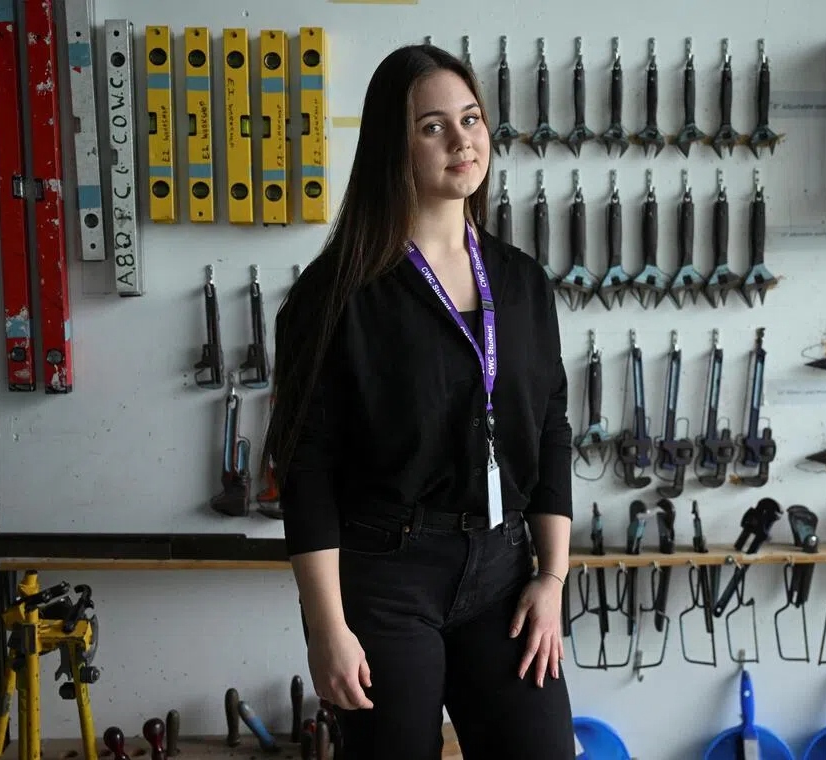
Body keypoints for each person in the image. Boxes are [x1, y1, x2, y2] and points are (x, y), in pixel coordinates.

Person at [262, 43, 576, 760]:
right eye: (433, 126)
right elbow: (304, 468)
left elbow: (552, 427)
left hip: (504, 571)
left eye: (470, 119)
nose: (461, 140)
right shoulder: (334, 295)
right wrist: (327, 627)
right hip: (386, 577)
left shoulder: (522, 283)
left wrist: (552, 577)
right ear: (392, 147)